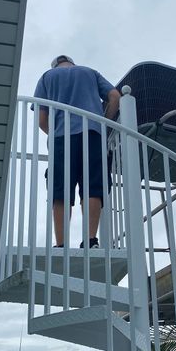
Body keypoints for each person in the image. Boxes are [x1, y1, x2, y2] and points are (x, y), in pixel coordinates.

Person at [33, 55, 120, 248]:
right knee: (93, 186)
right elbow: (115, 97)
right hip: (93, 134)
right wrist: (104, 124)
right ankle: (90, 240)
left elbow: (41, 119)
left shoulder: (47, 77)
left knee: (60, 189)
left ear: (55, 65)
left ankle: (61, 244)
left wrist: (55, 133)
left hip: (61, 138)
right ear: (72, 63)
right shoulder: (90, 72)